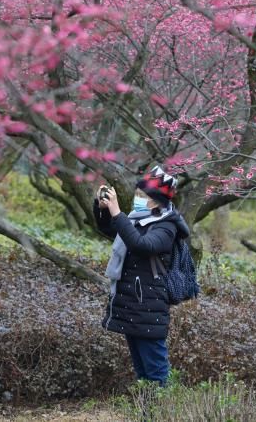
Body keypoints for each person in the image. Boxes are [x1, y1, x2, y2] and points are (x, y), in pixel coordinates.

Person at [93, 165, 190, 387]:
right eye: (137, 193)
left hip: (149, 307)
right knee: (141, 372)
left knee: (156, 371)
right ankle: (147, 414)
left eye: (142, 195)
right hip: (133, 305)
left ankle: (162, 414)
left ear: (156, 201)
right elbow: (112, 230)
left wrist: (117, 213)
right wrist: (103, 208)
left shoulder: (167, 226)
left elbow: (141, 245)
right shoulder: (139, 218)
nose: (137, 198)